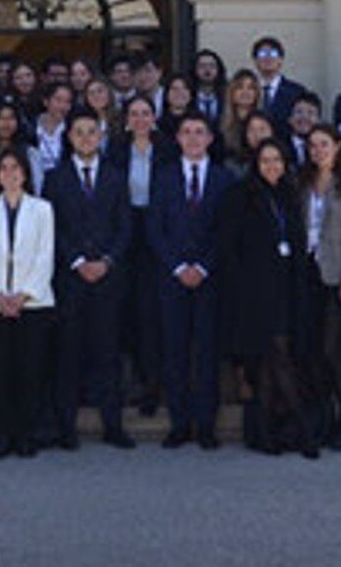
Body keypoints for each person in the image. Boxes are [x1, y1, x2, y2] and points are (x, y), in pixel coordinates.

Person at [218, 139, 318, 458]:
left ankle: (265, 434)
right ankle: (304, 430)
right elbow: (230, 247)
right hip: (254, 293)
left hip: (287, 289)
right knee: (275, 356)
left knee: (270, 362)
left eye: (276, 160)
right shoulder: (240, 196)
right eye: (265, 161)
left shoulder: (289, 196)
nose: (271, 166)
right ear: (255, 164)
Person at [43, 107, 134, 450]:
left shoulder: (115, 175)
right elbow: (53, 228)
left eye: (91, 132)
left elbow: (125, 226)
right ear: (69, 137)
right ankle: (66, 427)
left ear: (101, 136)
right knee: (68, 353)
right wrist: (78, 261)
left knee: (108, 353)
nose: (85, 138)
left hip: (108, 279)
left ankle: (113, 424)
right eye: (78, 132)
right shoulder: (55, 178)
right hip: (71, 279)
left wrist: (107, 261)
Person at [149, 113, 231, 449]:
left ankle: (207, 424)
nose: (194, 138)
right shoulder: (164, 177)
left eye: (200, 132)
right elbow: (155, 227)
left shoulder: (224, 179)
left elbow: (226, 232)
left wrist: (204, 266)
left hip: (210, 278)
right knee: (176, 351)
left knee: (207, 353)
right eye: (187, 132)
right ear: (178, 139)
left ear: (210, 138)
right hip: (173, 277)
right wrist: (179, 266)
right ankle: (180, 422)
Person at [0, 149, 56, 458]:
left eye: (15, 168)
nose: (9, 174)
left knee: (28, 370)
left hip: (32, 303)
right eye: (3, 168)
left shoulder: (42, 209)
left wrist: (22, 295)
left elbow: (44, 256)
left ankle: (25, 434)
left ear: (25, 173)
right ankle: (1, 434)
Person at [299, 122, 341, 450]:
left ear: (338, 146)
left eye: (324, 144)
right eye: (312, 145)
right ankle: (322, 418)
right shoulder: (301, 181)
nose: (318, 151)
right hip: (306, 274)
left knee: (334, 351)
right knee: (312, 350)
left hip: (337, 276)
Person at [117, 94, 168, 416]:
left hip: (156, 233)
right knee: (127, 313)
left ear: (154, 118)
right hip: (126, 232)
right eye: (134, 113)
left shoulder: (167, 150)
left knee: (153, 315)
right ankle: (130, 382)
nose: (140, 119)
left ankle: (153, 385)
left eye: (145, 113)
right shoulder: (114, 151)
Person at [251, 37, 306, 125]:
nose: (267, 57)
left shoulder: (296, 91)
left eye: (273, 54)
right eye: (262, 54)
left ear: (280, 60)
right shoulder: (249, 89)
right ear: (255, 60)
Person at [191, 49, 226, 122]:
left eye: (212, 66)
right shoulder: (189, 97)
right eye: (202, 66)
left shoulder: (226, 96)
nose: (207, 70)